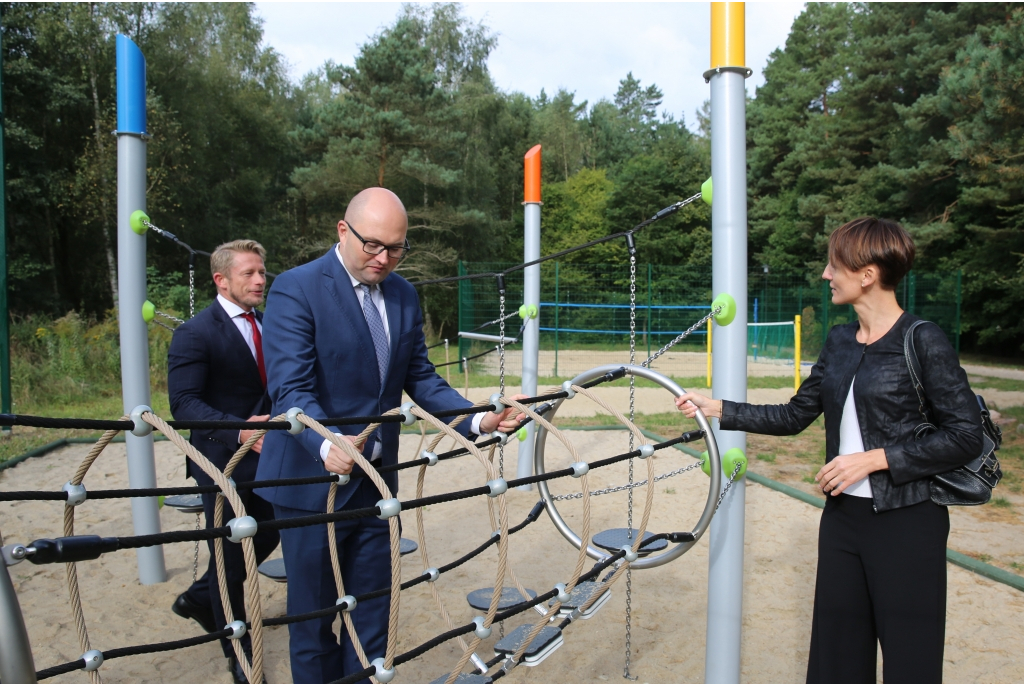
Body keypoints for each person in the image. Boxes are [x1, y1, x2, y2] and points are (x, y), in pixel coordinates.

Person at [676, 218, 982, 684]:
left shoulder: (922, 338)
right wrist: (717, 406)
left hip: (908, 522)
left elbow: (965, 435)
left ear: (867, 274)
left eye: (834, 264)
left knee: (910, 662)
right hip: (842, 522)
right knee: (835, 659)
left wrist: (877, 458)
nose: (825, 273)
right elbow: (793, 415)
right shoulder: (840, 340)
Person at [257, 187, 525, 683]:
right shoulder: (297, 288)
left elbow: (420, 378)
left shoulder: (402, 293)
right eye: (373, 245)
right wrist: (326, 441)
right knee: (314, 622)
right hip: (310, 483)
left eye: (396, 248)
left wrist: (479, 419)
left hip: (378, 483)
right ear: (343, 231)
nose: (384, 258)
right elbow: (290, 387)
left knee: (373, 616)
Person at [167, 239, 280, 684]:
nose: (259, 280)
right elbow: (184, 404)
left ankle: (199, 597)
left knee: (265, 537)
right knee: (233, 556)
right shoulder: (195, 332)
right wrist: (239, 430)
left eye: (261, 272)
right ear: (221, 279)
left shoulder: (271, 325)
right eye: (249, 273)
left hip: (269, 457)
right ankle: (239, 653)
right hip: (223, 462)